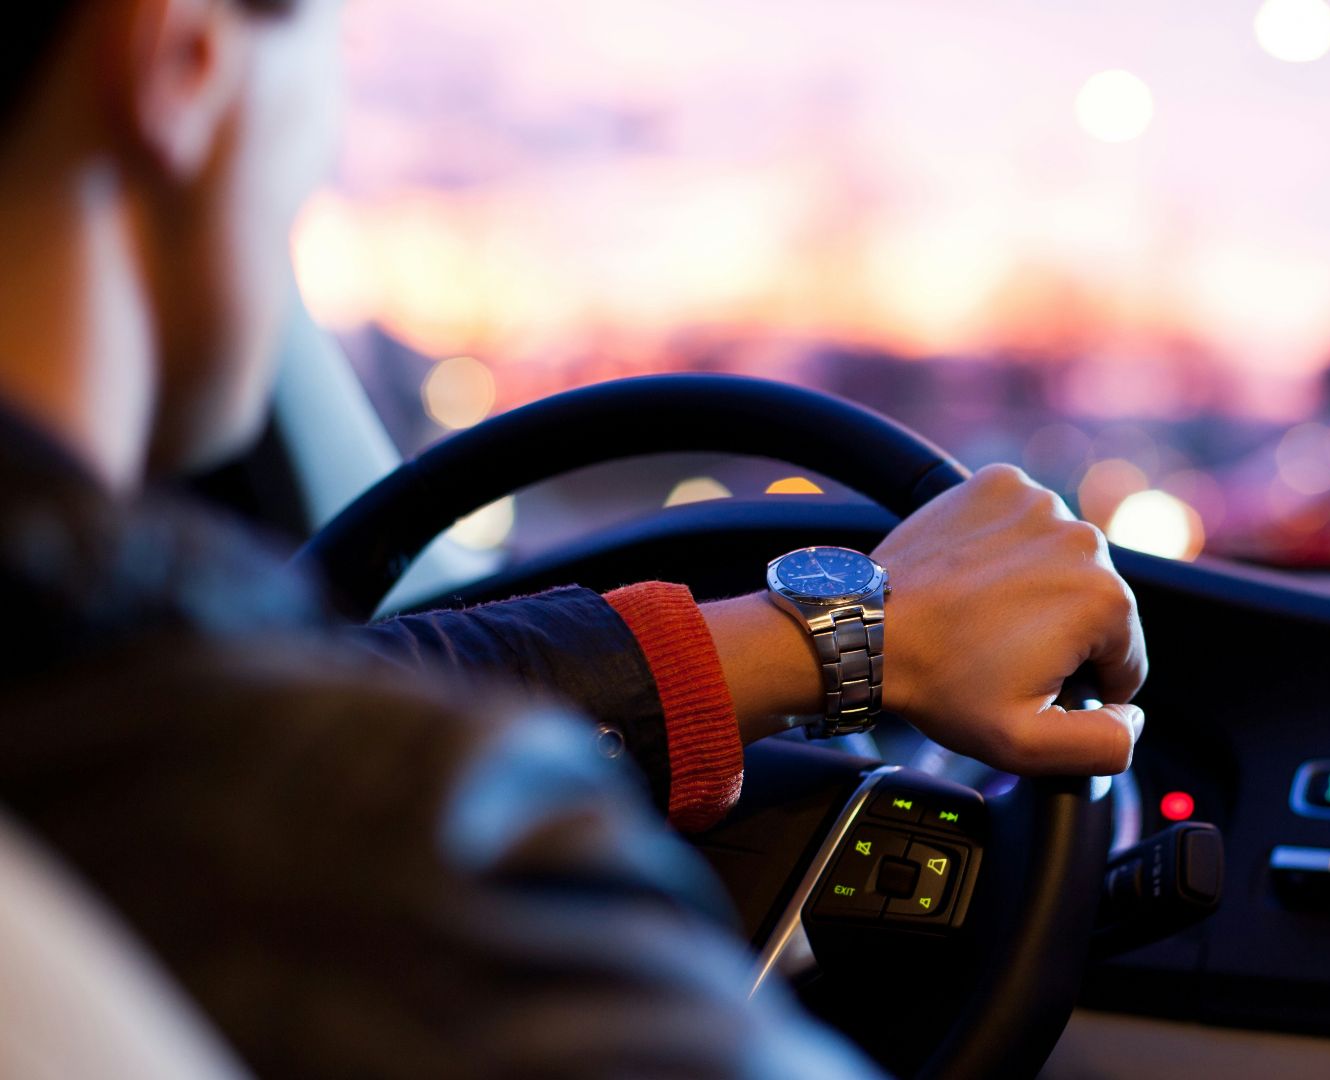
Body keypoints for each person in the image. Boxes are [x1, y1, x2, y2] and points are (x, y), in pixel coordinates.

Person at [0, 0, 1149, 1075]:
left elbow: (308, 681)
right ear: (184, 64)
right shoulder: (409, 877)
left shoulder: (94, 701)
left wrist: (831, 641)